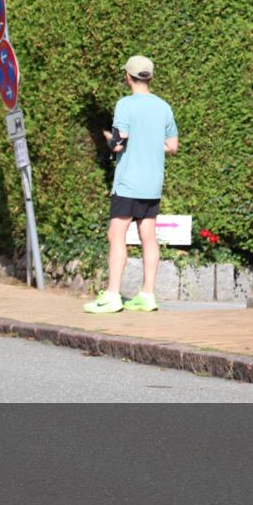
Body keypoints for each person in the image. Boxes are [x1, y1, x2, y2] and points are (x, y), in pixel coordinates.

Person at [84, 55, 179, 314]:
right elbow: (172, 146)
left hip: (128, 182)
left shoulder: (125, 105)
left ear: (128, 77)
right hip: (152, 183)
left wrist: (108, 139)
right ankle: (148, 295)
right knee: (148, 236)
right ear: (150, 77)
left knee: (116, 234)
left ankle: (113, 295)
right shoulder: (164, 107)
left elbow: (118, 143)